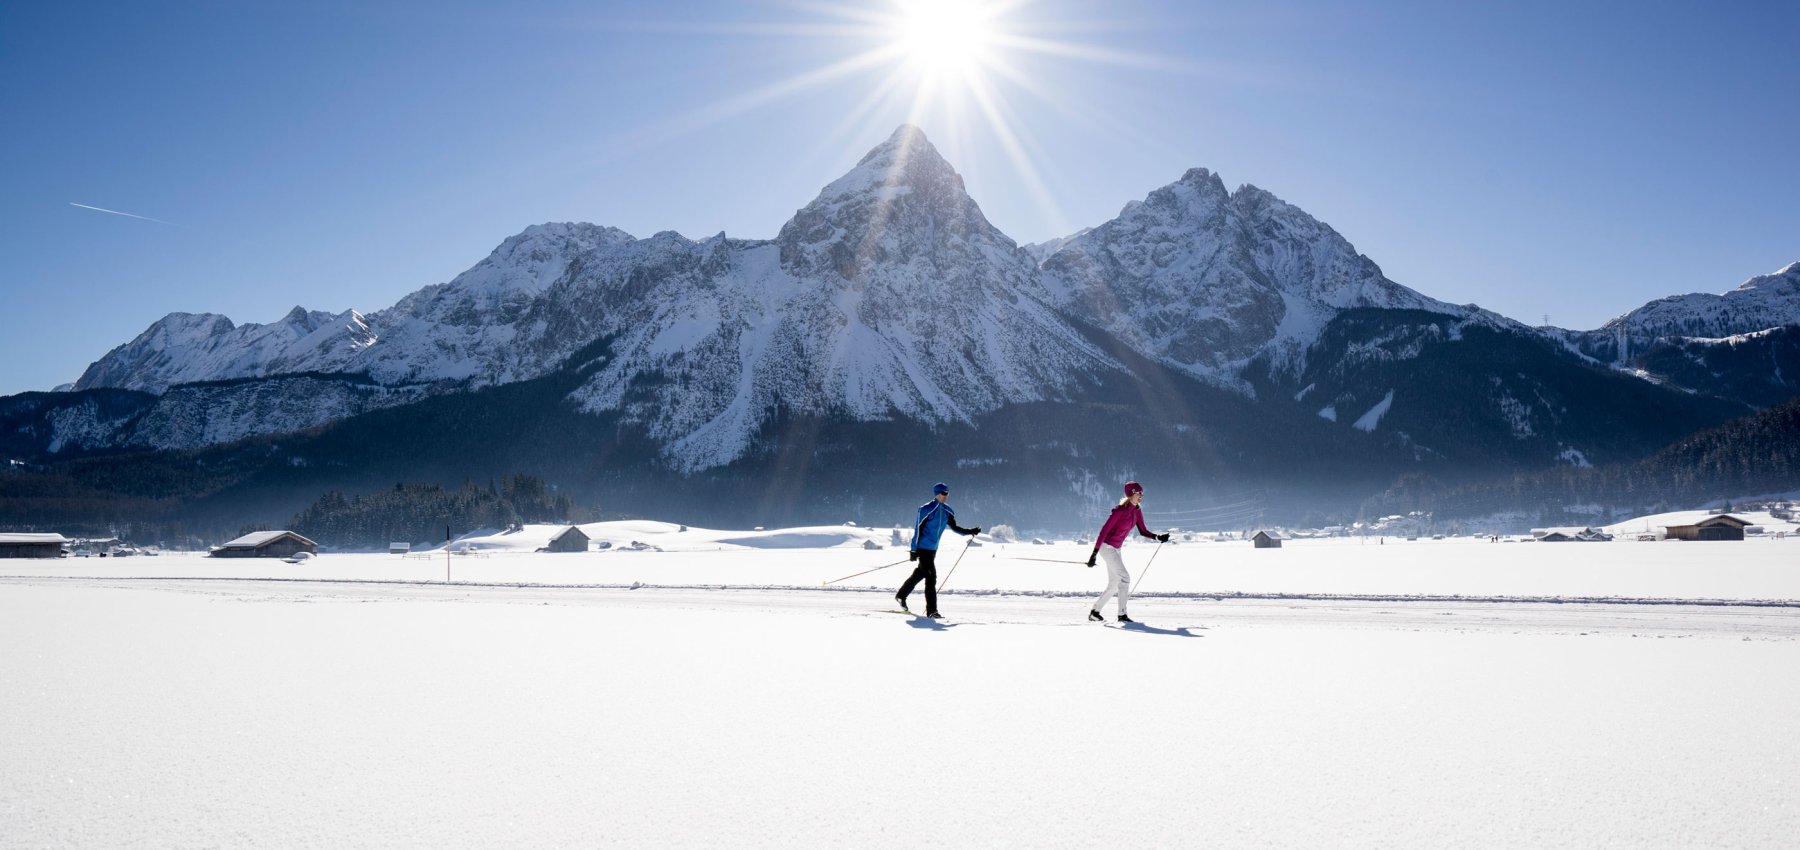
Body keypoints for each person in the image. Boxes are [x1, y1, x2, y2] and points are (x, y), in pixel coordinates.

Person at [1086, 481, 1169, 623]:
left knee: (1114, 584)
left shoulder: (1136, 511)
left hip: (1116, 549)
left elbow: (1142, 531)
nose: (1141, 496)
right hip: (1107, 547)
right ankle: (1122, 615)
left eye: (1142, 493)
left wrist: (1157, 536)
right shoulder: (1119, 510)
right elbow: (1104, 531)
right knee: (1125, 578)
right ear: (1131, 494)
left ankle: (1095, 612)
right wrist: (1094, 554)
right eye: (1139, 493)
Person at [897, 482, 980, 618]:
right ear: (937, 494)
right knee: (931, 577)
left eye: (948, 493)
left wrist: (970, 531)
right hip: (923, 548)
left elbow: (955, 528)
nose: (946, 496)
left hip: (933, 550)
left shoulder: (947, 511)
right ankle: (932, 611)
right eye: (944, 493)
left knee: (920, 574)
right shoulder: (926, 509)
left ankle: (901, 596)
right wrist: (913, 550)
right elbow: (917, 529)